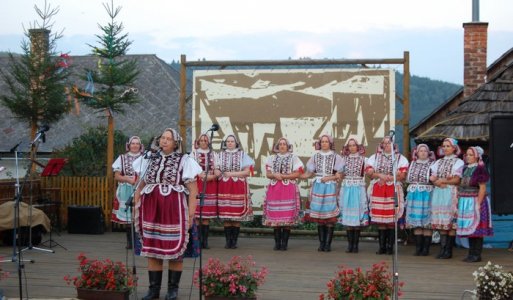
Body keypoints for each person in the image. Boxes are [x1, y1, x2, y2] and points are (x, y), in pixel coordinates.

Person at [133, 128, 201, 300]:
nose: (164, 141)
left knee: (175, 250)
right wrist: (135, 205)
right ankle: (153, 290)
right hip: (150, 208)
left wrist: (191, 214)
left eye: (168, 139)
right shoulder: (148, 158)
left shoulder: (185, 160)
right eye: (162, 138)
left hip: (175, 210)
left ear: (176, 143)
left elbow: (193, 190)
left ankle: (173, 290)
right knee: (153, 247)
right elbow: (139, 185)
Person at [365, 136, 409, 255]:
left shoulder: (400, 158)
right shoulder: (374, 157)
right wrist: (381, 175)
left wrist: (389, 177)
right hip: (378, 189)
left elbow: (403, 175)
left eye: (389, 143)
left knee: (392, 217)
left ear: (394, 145)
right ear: (381, 145)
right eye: (384, 143)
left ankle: (390, 247)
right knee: (380, 219)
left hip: (394, 190)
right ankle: (382, 246)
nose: (386, 145)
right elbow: (369, 173)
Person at [301, 134, 343, 252]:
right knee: (319, 216)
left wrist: (329, 178)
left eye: (326, 141)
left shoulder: (336, 157)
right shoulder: (315, 156)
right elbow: (309, 173)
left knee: (329, 216)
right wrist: (298, 176)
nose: (324, 143)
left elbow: (339, 175)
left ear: (330, 143)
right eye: (322, 141)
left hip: (330, 187)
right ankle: (321, 243)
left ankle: (328, 244)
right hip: (318, 186)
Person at [263, 137, 304, 251]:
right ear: (277, 146)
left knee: (287, 215)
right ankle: (277, 243)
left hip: (288, 188)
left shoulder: (294, 158)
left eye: (284, 144)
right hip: (275, 188)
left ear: (288, 146)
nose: (282, 146)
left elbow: (297, 174)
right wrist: (275, 175)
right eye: (280, 144)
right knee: (276, 216)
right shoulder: (271, 158)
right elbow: (268, 174)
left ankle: (284, 243)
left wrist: (283, 176)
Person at [217, 134, 254, 249]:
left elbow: (247, 172)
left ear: (236, 143)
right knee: (226, 214)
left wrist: (231, 174)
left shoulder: (242, 154)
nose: (230, 143)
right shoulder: (220, 155)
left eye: (232, 141)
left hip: (238, 185)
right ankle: (228, 241)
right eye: (228, 141)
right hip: (224, 186)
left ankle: (234, 241)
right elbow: (217, 169)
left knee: (236, 214)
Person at [457, 146, 493, 262]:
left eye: (471, 155)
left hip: (476, 200)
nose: (468, 157)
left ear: (477, 156)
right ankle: (471, 253)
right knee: (469, 228)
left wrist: (478, 203)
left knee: (477, 228)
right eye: (467, 154)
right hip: (465, 201)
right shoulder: (465, 168)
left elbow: (482, 188)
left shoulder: (480, 168)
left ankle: (476, 254)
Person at [429, 137, 464, 259]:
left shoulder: (458, 162)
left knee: (450, 222)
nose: (445, 148)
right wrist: (437, 182)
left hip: (450, 192)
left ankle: (448, 251)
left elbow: (457, 179)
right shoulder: (437, 162)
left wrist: (442, 180)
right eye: (443, 146)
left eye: (448, 146)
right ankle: (443, 250)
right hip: (439, 193)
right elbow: (432, 178)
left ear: (454, 148)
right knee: (442, 221)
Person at [337, 135, 369, 253]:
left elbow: (370, 172)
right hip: (346, 188)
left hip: (358, 188)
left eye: (354, 145)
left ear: (358, 146)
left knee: (357, 216)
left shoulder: (364, 160)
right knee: (348, 217)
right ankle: (350, 245)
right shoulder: (343, 159)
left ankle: (355, 245)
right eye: (349, 146)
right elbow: (339, 174)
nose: (351, 147)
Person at [112, 136, 143, 249]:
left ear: (140, 145)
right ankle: (130, 242)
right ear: (129, 145)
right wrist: (129, 180)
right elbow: (116, 176)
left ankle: (139, 240)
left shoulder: (144, 158)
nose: (135, 145)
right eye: (133, 143)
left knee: (139, 214)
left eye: (137, 143)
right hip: (126, 188)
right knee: (128, 217)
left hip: (141, 188)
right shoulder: (121, 158)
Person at [405, 144, 435, 256]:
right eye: (420, 151)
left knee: (426, 221)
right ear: (416, 152)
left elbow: (434, 179)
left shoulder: (432, 164)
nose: (423, 153)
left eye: (425, 151)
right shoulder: (412, 164)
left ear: (428, 153)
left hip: (426, 193)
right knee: (416, 221)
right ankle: (418, 248)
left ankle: (426, 249)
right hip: (414, 193)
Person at [192, 134, 220, 249]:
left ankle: (205, 241)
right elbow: (192, 167)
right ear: (198, 142)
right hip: (198, 183)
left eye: (205, 140)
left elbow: (217, 169)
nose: (203, 142)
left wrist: (213, 176)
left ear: (209, 142)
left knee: (206, 215)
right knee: (198, 215)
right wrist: (202, 175)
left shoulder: (214, 154)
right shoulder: (193, 154)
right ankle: (198, 241)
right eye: (201, 140)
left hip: (210, 184)